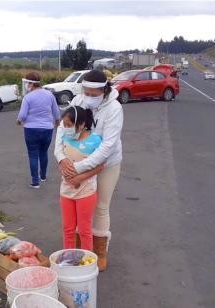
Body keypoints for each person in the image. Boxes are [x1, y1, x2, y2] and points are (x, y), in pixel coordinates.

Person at [54, 69, 123, 271]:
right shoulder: (78, 101)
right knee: (76, 207)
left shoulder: (115, 109)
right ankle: (77, 248)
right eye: (86, 93)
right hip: (76, 162)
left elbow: (107, 146)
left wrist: (78, 169)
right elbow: (62, 129)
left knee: (101, 206)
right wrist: (60, 159)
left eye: (94, 95)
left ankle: (99, 252)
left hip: (106, 164)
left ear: (104, 90)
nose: (89, 98)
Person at [59, 106, 104, 251]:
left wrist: (80, 178)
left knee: (84, 230)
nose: (65, 128)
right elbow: (61, 159)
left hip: (86, 191)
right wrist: (64, 171)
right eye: (64, 125)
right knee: (68, 229)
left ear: (82, 125)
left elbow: (100, 165)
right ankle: (68, 259)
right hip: (66, 191)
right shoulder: (65, 137)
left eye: (69, 125)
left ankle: (87, 263)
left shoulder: (95, 140)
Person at [17, 72, 60, 188]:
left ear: (30, 84)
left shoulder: (28, 97)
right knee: (43, 152)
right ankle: (43, 176)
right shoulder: (49, 94)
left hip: (31, 129)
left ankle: (35, 182)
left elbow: (22, 115)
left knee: (33, 155)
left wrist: (19, 121)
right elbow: (56, 112)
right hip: (47, 129)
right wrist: (57, 122)